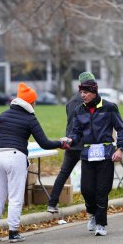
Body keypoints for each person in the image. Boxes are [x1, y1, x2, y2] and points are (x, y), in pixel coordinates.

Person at [0, 82, 70, 243]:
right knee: (15, 196)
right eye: (35, 102)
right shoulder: (30, 118)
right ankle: (13, 232)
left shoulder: (2, 115)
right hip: (15, 156)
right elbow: (44, 143)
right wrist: (61, 143)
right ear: (31, 102)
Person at [67, 72, 123, 236]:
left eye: (85, 92)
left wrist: (120, 149)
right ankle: (93, 214)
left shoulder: (109, 107)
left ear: (94, 92)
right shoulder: (79, 110)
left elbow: (122, 130)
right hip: (87, 155)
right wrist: (70, 140)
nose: (83, 95)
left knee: (102, 190)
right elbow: (76, 132)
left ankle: (101, 224)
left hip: (106, 155)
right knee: (87, 190)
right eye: (81, 92)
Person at [47, 79, 85, 213]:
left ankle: (52, 203)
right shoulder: (88, 101)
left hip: (70, 142)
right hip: (84, 143)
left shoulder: (71, 101)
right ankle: (91, 205)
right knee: (89, 174)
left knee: (63, 173)